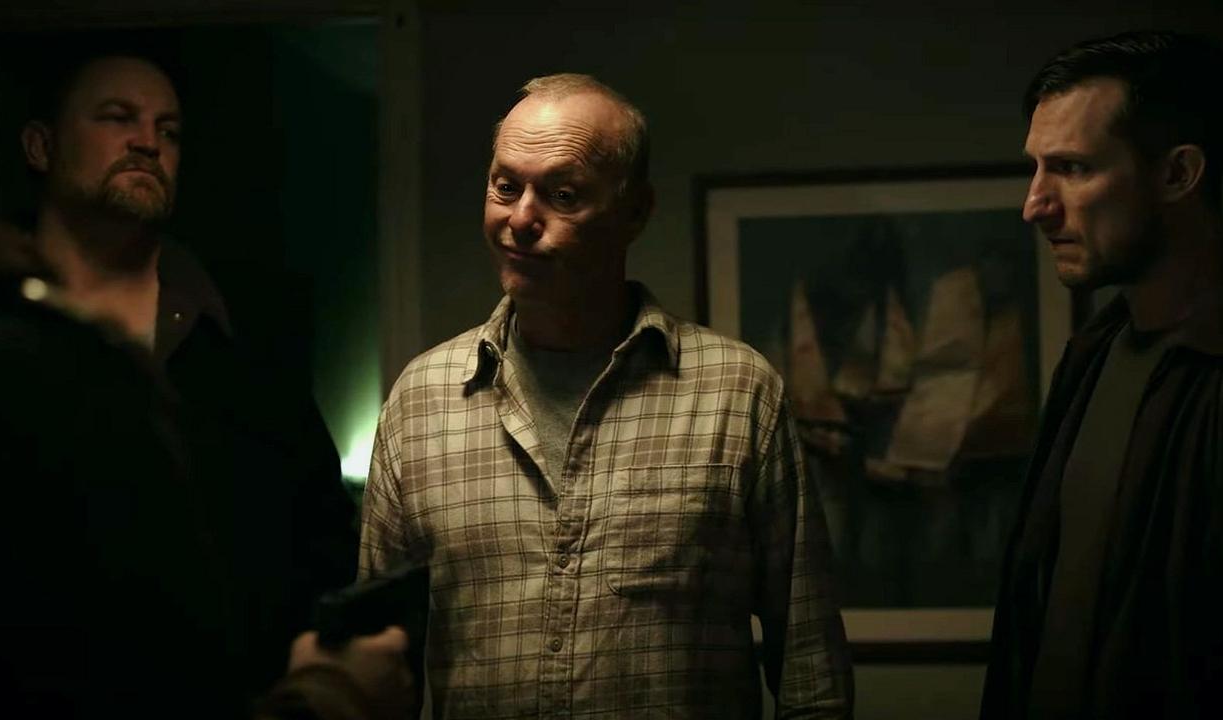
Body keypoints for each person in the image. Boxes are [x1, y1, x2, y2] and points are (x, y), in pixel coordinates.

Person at [358, 74, 853, 718]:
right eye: (505, 187)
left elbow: (811, 668)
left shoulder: (737, 393)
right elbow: (373, 670)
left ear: (634, 213)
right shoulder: (422, 400)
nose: (521, 219)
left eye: (562, 195)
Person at [13, 36, 359, 705]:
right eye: (117, 117)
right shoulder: (10, 335)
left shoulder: (241, 350)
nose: (147, 142)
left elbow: (320, 556)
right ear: (41, 145)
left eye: (167, 131)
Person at [982, 31, 1223, 719]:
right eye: (1036, 169)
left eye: (1072, 168)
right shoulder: (1093, 354)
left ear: (1177, 175)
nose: (1035, 204)